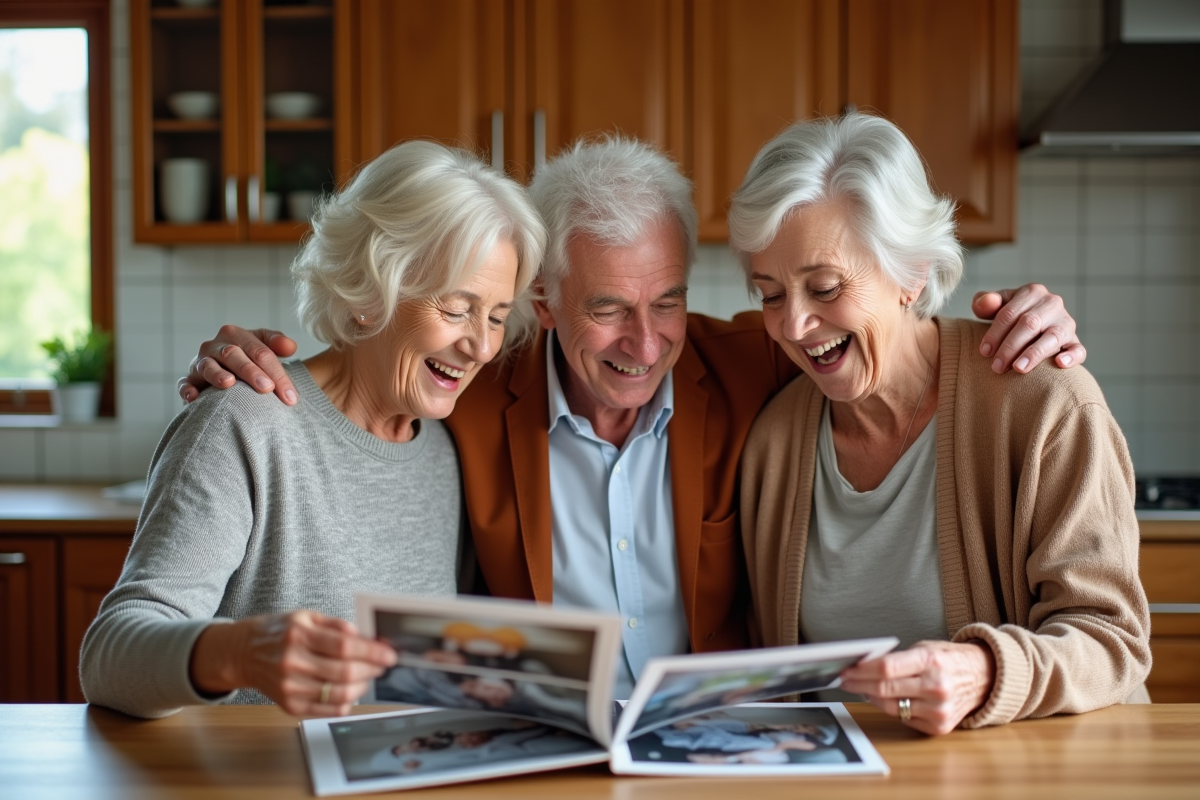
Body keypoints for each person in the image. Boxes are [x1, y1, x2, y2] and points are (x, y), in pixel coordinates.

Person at [178, 137, 1089, 699]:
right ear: (541, 299)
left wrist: (1023, 324)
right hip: (543, 759)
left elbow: (882, 330)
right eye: (608, 307)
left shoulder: (757, 358)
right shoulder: (476, 387)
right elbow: (375, 367)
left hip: (723, 752)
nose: (647, 343)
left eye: (670, 303)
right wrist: (239, 360)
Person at [79, 140, 545, 719]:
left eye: (497, 316)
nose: (480, 345)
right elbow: (109, 657)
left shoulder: (452, 450)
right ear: (371, 292)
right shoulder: (245, 422)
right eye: (456, 309)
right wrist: (240, 653)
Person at [731, 113, 1151, 736]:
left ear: (913, 273)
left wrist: (988, 671)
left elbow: (1112, 639)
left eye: (823, 287)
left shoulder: (1044, 404)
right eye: (769, 293)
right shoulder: (775, 441)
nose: (793, 325)